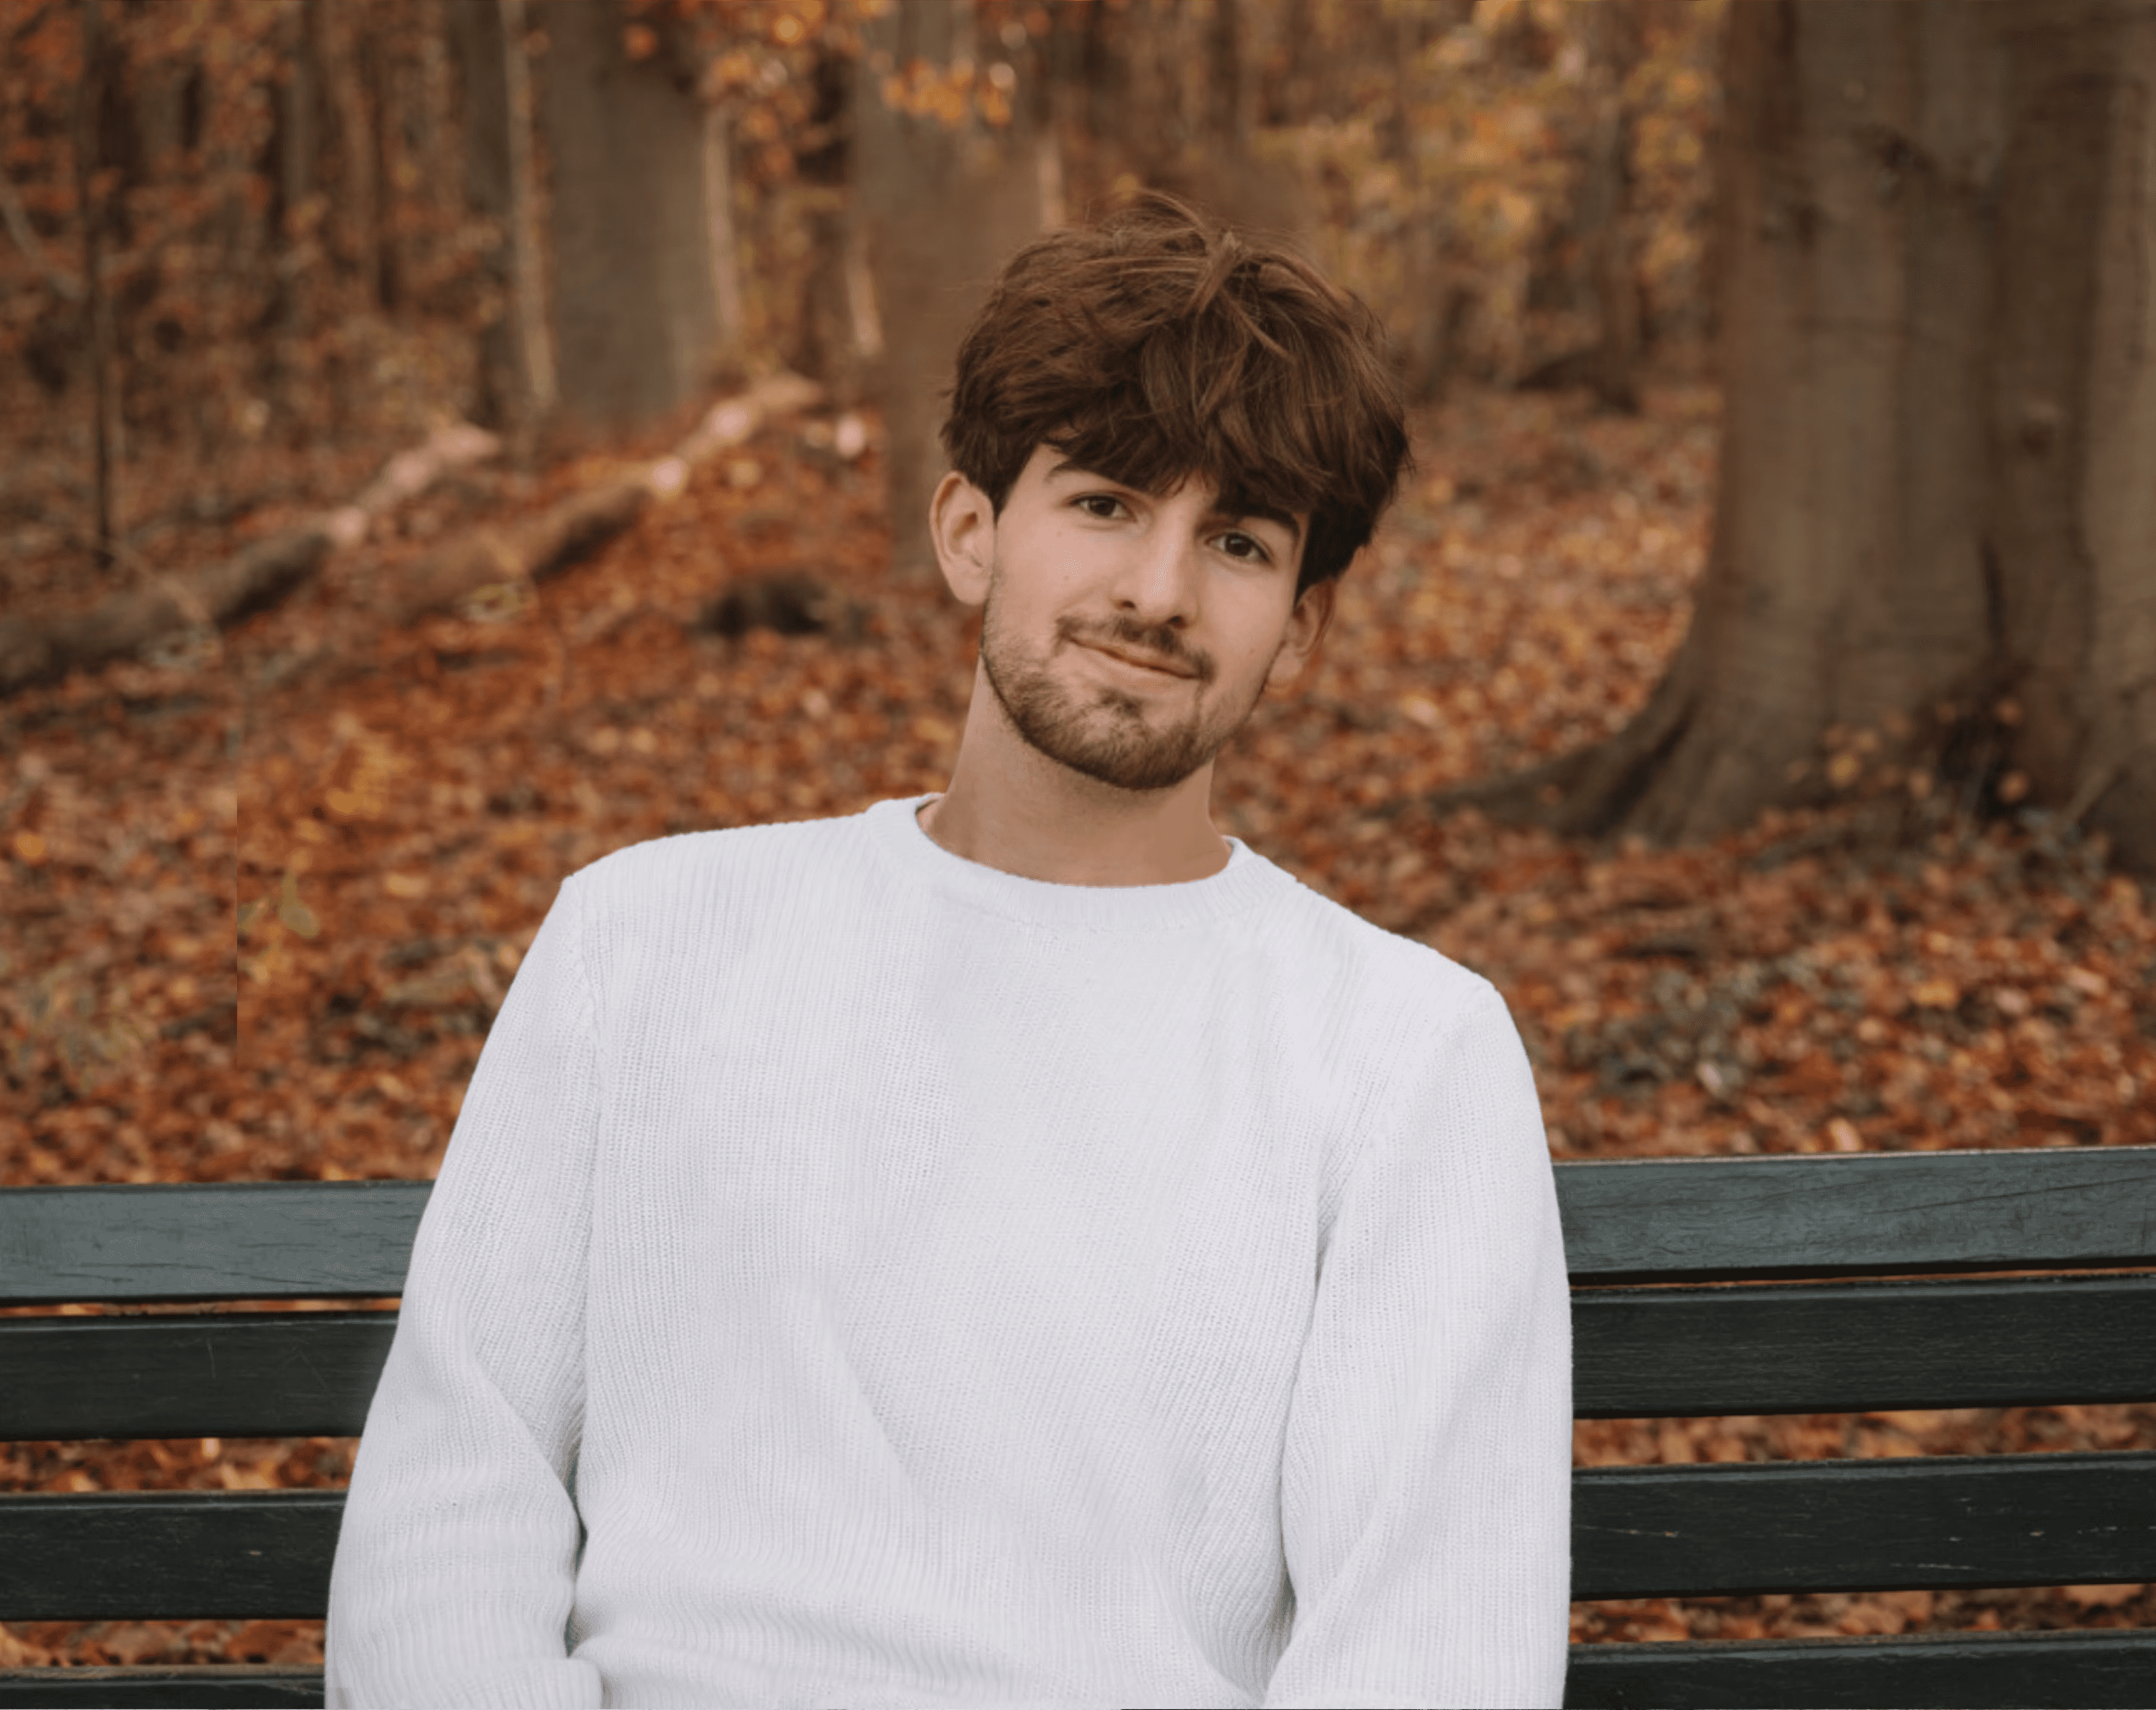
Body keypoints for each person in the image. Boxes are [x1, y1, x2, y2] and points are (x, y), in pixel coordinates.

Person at [324, 193, 1572, 1710]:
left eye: (1235, 542)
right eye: (1107, 503)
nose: (1159, 592)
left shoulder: (1401, 1050)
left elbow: (1430, 1648)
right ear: (970, 531)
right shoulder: (642, 939)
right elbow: (457, 1487)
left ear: (1300, 630)